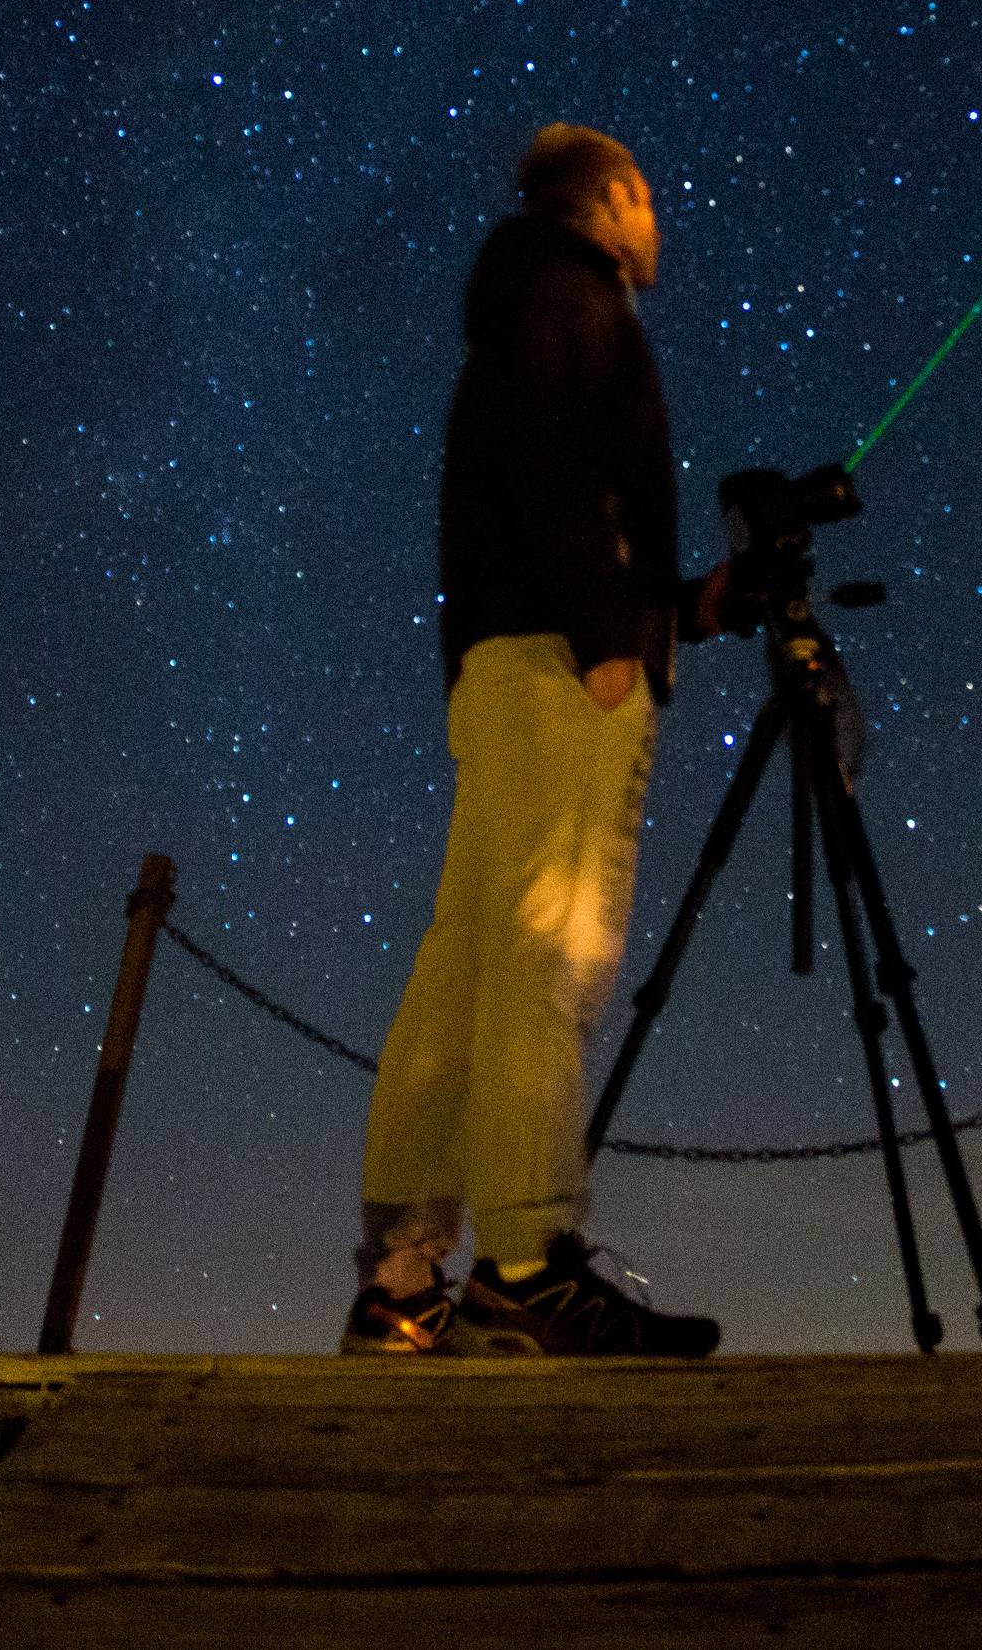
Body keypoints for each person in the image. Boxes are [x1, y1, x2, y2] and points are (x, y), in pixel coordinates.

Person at [341, 123, 730, 1356]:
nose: (660, 224)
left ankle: (401, 1280)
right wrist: (608, 627)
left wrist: (681, 607)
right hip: (561, 660)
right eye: (650, 199)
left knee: (466, 964)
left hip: (511, 659)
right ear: (611, 198)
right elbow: (554, 461)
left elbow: (546, 475)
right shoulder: (571, 295)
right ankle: (526, 1262)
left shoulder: (523, 299)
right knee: (547, 954)